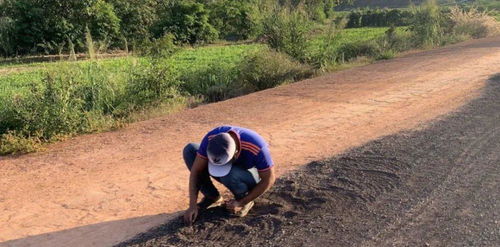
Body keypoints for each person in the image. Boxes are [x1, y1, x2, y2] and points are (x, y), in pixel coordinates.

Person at [182, 125, 276, 225]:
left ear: (236, 154)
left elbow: (269, 179)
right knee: (190, 150)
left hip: (250, 174)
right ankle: (212, 197)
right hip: (231, 167)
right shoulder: (212, 139)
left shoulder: (257, 146)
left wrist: (242, 202)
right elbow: (196, 171)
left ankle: (244, 199)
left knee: (230, 175)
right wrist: (192, 205)